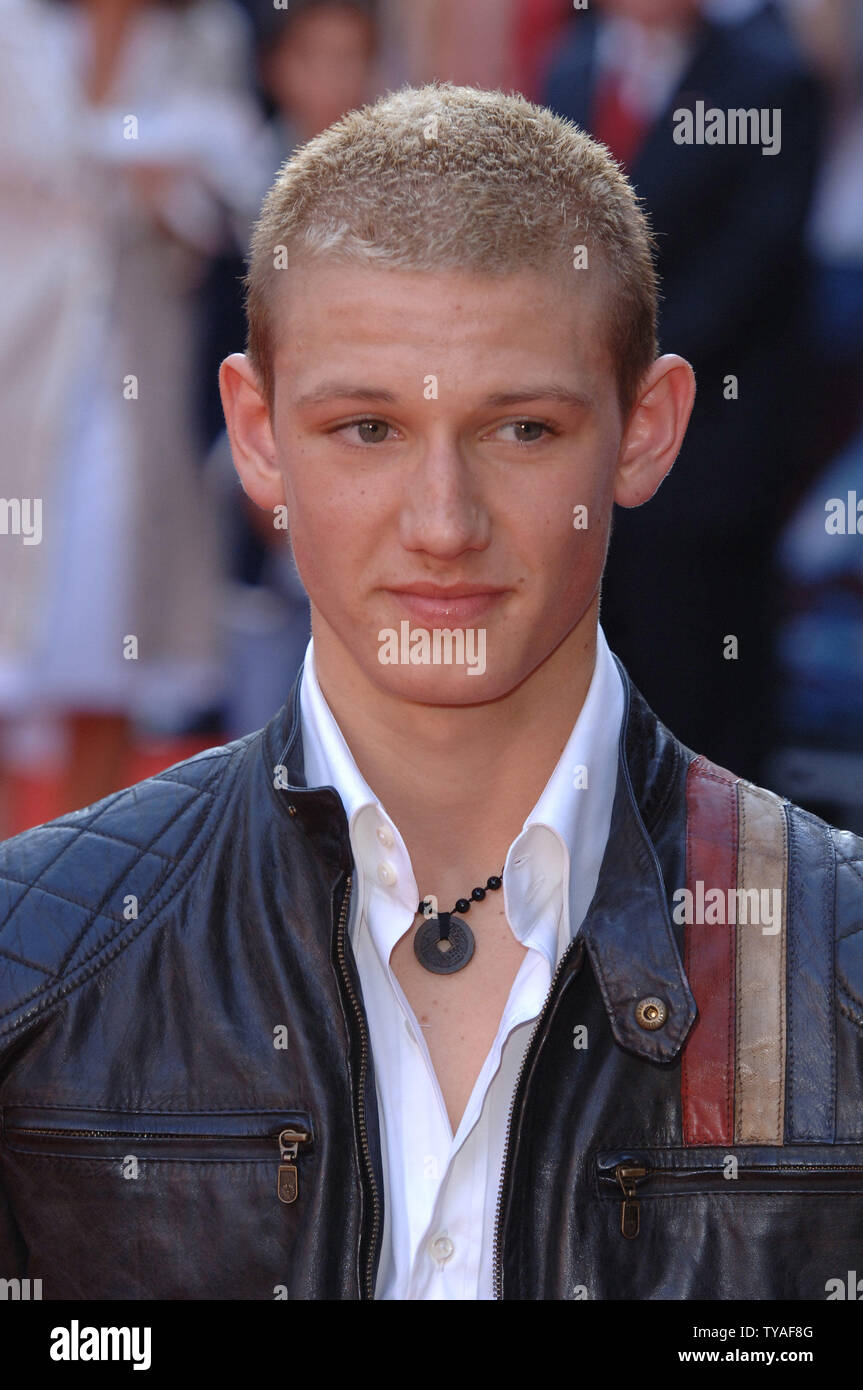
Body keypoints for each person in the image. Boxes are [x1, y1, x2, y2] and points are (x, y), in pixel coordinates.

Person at [0, 82, 862, 1302]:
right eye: (367, 429)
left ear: (645, 430)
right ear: (255, 433)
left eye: (519, 430)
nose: (442, 524)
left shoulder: (835, 975)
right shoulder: (33, 968)